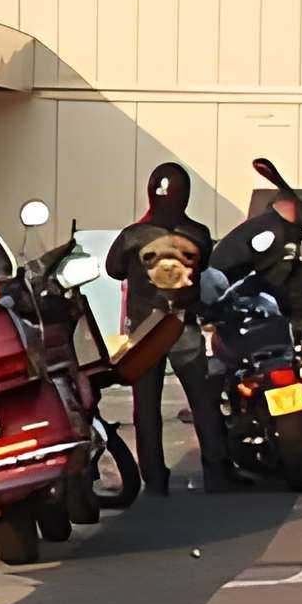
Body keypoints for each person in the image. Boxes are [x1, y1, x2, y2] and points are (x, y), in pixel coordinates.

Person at [104, 163, 229, 493]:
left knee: (146, 407)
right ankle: (217, 473)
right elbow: (204, 265)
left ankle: (155, 479)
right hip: (183, 325)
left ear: (151, 192)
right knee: (203, 402)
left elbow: (114, 269)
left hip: (144, 331)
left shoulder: (132, 235)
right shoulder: (199, 233)